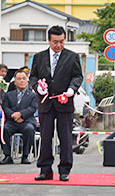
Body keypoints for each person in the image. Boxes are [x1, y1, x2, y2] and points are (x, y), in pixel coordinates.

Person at [30, 25, 83, 181]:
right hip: (45, 102)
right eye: (55, 42)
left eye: (61, 41)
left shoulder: (72, 56)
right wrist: (37, 87)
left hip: (64, 101)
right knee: (45, 136)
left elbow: (77, 76)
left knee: (65, 137)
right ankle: (45, 169)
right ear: (49, 40)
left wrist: (72, 89)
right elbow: (33, 77)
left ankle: (65, 169)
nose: (59, 45)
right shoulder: (39, 57)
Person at [0, 70, 37, 165]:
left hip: (27, 121)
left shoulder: (33, 95)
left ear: (27, 81)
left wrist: (21, 114)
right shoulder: (8, 95)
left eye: (24, 79)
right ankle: (7, 156)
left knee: (29, 129)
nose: (22, 81)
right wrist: (13, 115)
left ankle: (25, 156)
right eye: (19, 79)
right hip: (12, 121)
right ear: (15, 82)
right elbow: (5, 107)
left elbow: (33, 108)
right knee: (3, 129)